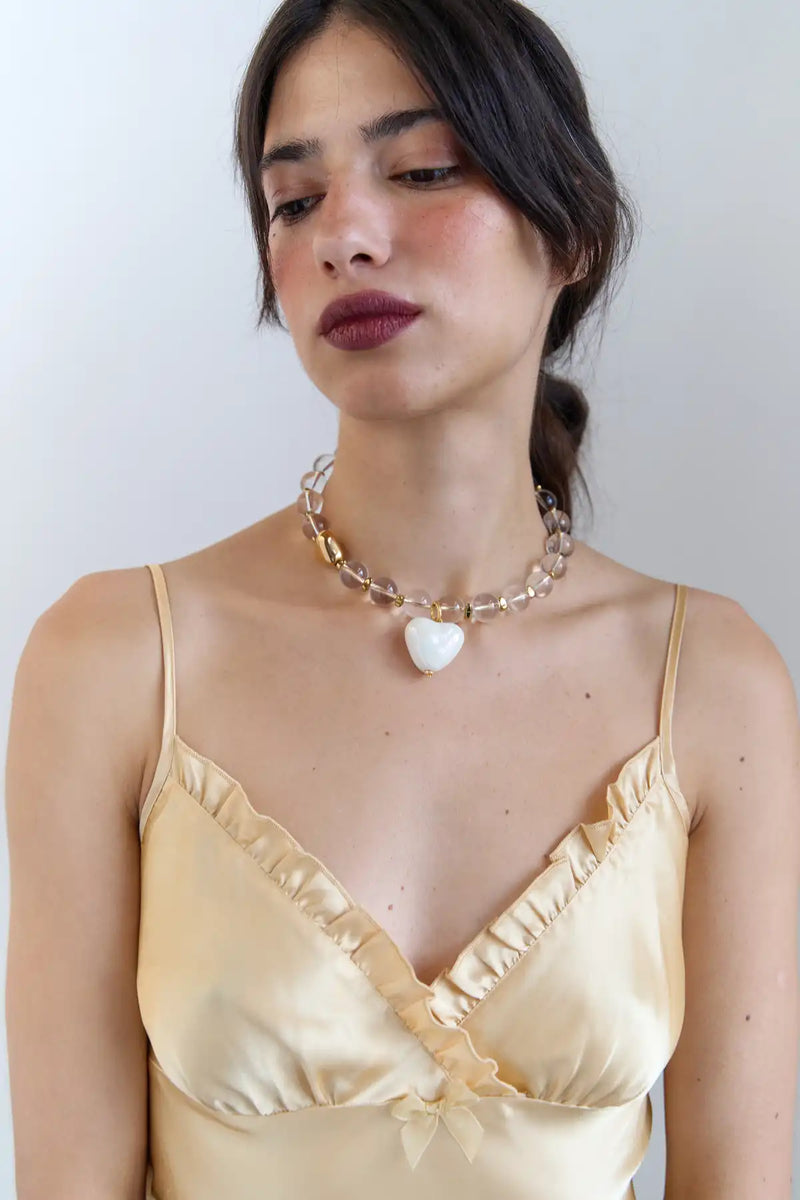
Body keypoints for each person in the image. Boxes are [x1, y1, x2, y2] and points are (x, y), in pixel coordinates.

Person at [5, 1, 799, 1197]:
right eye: (294, 200)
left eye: (421, 170)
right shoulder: (115, 662)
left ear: (570, 233)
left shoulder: (711, 681)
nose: (345, 236)